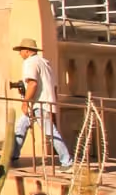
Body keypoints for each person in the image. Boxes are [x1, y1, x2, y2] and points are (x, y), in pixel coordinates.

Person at [11, 38, 72, 170]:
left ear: (27, 51)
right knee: (21, 127)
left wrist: (25, 102)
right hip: (44, 102)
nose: (20, 53)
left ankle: (66, 161)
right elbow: (54, 86)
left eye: (21, 50)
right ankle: (12, 155)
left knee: (50, 132)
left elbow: (32, 83)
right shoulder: (45, 63)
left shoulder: (30, 63)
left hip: (38, 104)